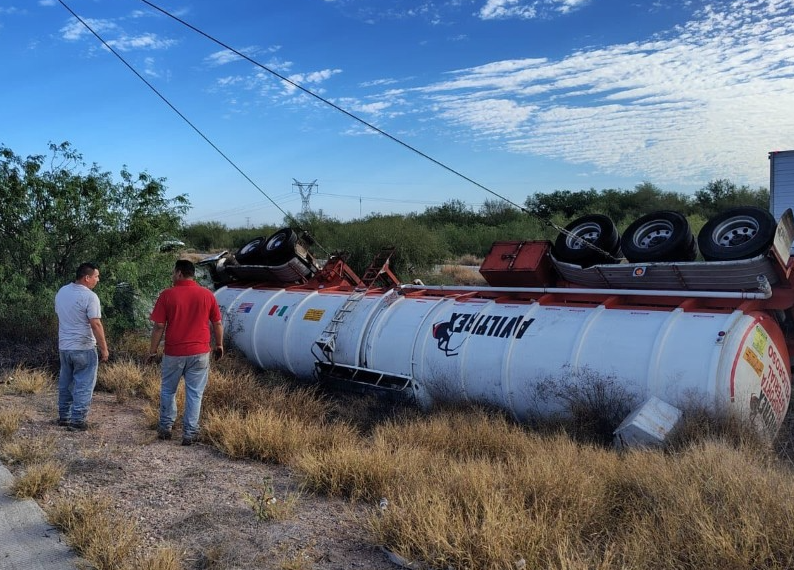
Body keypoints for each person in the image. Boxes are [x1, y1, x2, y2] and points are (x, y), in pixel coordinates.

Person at [148, 259, 224, 446]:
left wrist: (152, 350)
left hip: (174, 352)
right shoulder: (207, 295)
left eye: (174, 272)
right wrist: (219, 345)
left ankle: (165, 427)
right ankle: (189, 433)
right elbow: (217, 323)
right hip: (199, 353)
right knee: (194, 393)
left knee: (168, 390)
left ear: (180, 273)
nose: (172, 275)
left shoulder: (167, 295)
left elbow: (159, 325)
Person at [54, 262, 110, 431]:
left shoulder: (62, 292)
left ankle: (64, 416)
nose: (97, 280)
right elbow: (96, 324)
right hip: (84, 346)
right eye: (96, 276)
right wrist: (104, 348)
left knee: (66, 382)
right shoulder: (90, 297)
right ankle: (78, 420)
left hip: (65, 346)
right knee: (84, 384)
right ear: (87, 278)